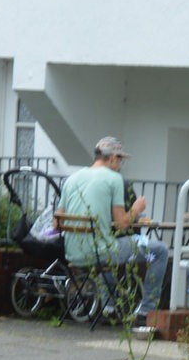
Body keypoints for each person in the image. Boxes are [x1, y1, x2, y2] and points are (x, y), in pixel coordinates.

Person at [56, 136, 170, 324]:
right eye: (120, 159)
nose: (121, 164)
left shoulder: (72, 179)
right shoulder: (114, 179)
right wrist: (137, 208)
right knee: (158, 252)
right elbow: (122, 223)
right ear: (112, 158)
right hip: (102, 254)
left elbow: (56, 222)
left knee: (114, 250)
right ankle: (146, 311)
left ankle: (109, 307)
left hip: (73, 254)